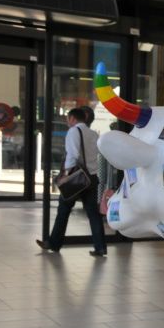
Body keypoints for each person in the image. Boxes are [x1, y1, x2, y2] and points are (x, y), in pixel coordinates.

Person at [37, 107, 106, 256]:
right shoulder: (93, 134)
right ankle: (100, 247)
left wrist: (66, 174)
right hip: (91, 177)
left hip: (76, 178)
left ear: (73, 118)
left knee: (63, 210)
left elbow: (73, 154)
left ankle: (53, 243)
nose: (68, 122)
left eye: (68, 119)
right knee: (93, 213)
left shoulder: (74, 131)